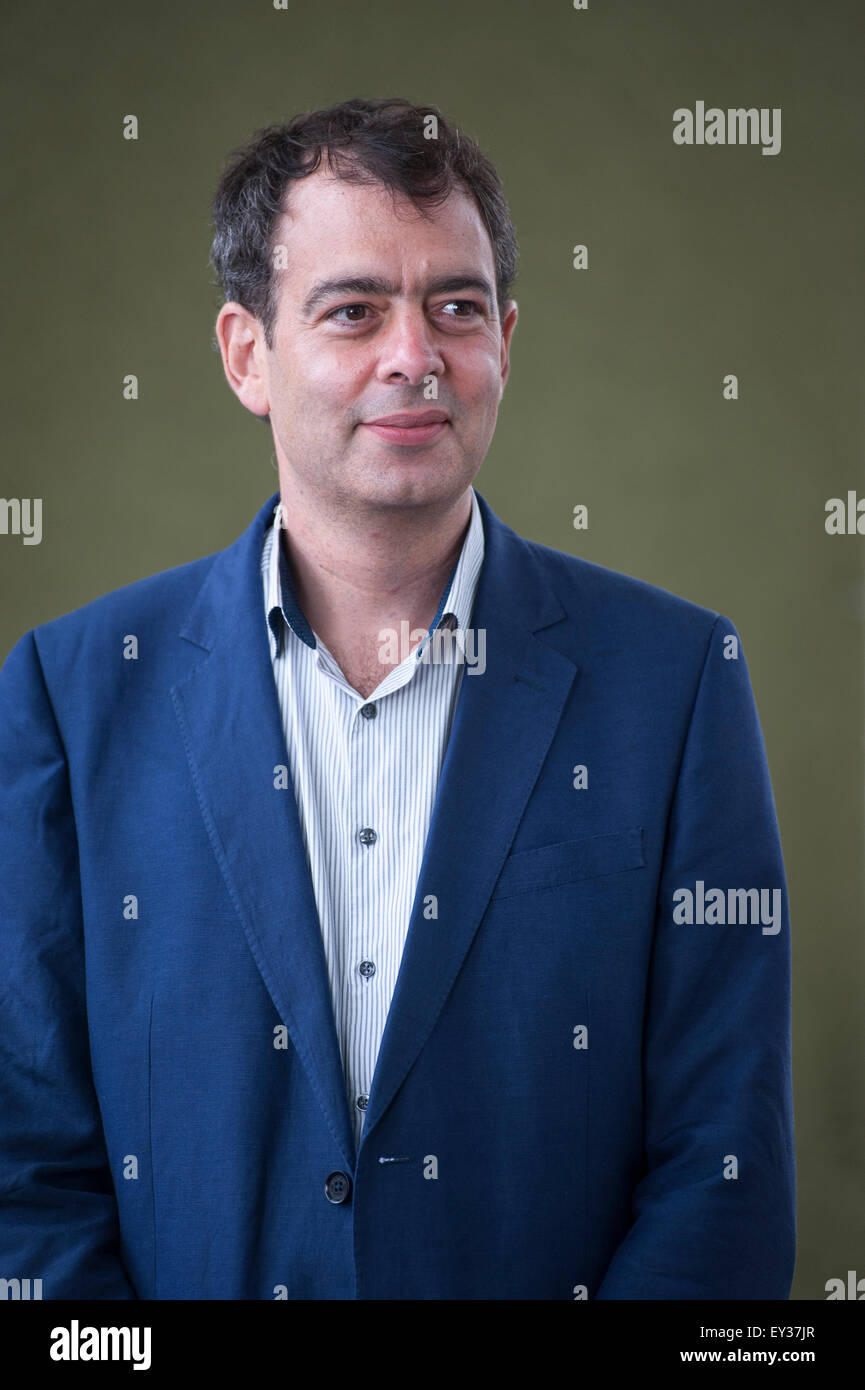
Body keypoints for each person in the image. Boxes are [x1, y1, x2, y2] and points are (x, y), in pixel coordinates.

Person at [0, 97, 795, 1300]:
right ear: (246, 355)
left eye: (457, 307)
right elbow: (25, 1179)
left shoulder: (674, 684)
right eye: (354, 309)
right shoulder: (72, 695)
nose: (415, 354)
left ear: (506, 341)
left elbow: (723, 1167)